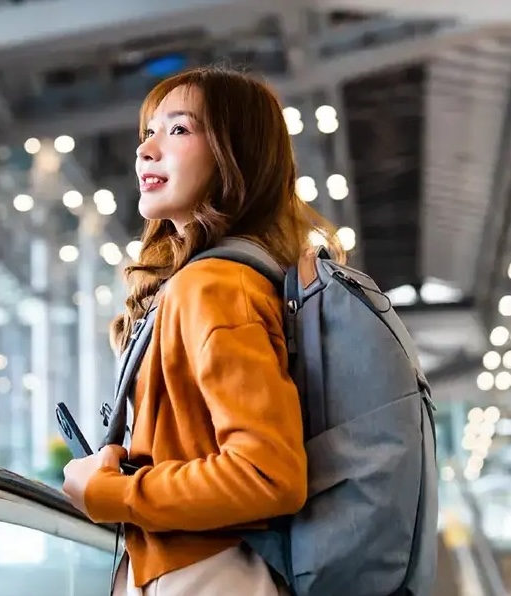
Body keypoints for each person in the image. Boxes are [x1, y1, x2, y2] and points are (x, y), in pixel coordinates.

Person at [62, 66, 343, 595]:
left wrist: (112, 494)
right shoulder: (222, 279)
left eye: (180, 130)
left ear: (235, 157)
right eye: (148, 132)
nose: (147, 149)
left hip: (208, 577)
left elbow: (267, 474)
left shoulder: (214, 284)